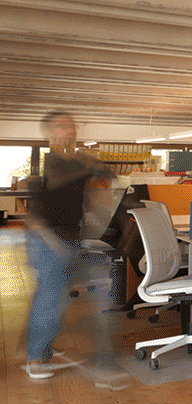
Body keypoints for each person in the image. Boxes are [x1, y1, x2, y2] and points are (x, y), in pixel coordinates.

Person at [23, 111, 126, 387]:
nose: (70, 130)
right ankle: (36, 357)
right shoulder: (50, 166)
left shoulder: (77, 162)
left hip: (74, 239)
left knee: (86, 298)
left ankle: (99, 363)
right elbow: (33, 217)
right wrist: (55, 244)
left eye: (72, 126)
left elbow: (110, 179)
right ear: (49, 134)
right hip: (45, 240)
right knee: (51, 299)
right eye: (62, 126)